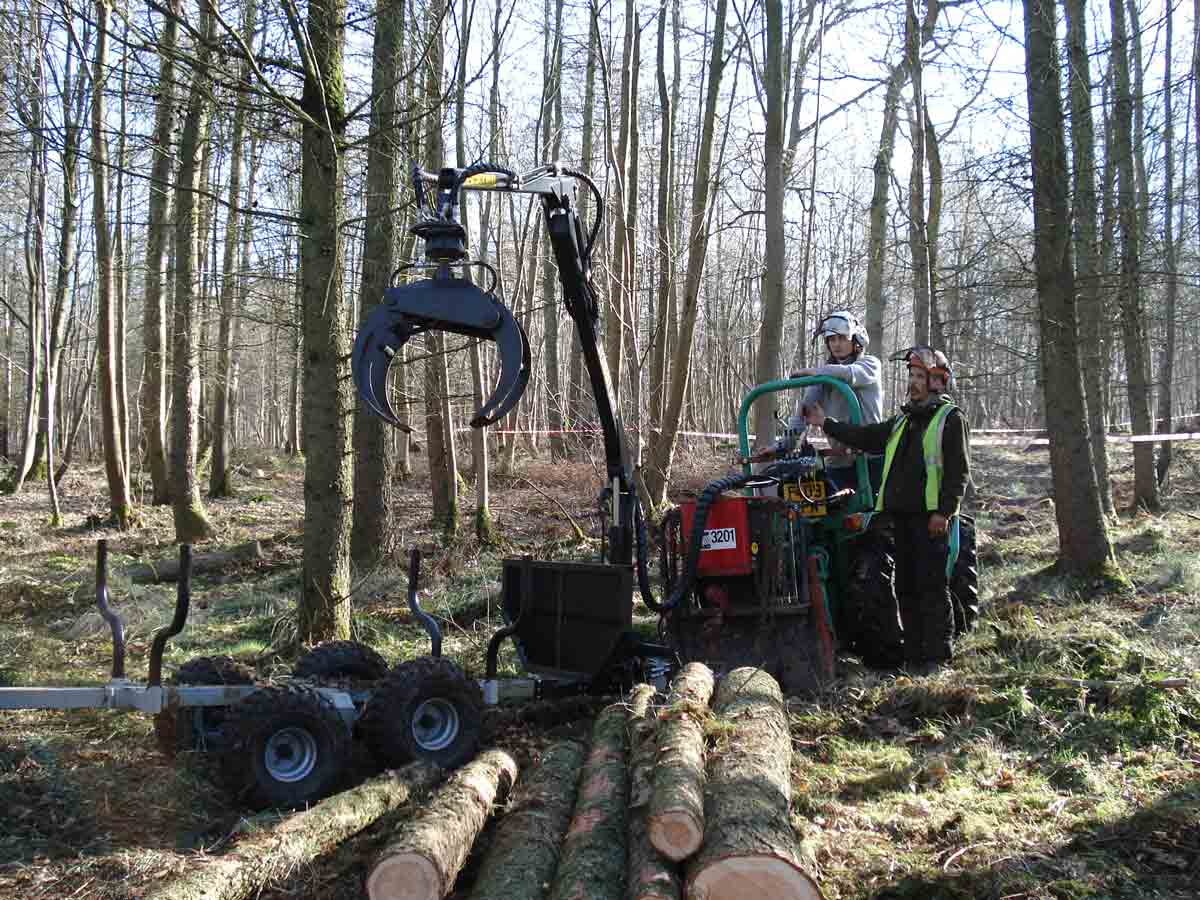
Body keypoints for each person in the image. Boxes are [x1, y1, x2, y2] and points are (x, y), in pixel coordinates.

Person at [804, 345, 970, 675]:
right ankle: (914, 657)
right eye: (911, 375)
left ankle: (937, 658)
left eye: (920, 376)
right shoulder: (901, 422)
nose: (913, 382)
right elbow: (865, 436)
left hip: (930, 518)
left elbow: (958, 471)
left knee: (931, 588)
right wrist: (827, 424)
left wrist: (945, 512)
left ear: (938, 381)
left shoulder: (950, 420)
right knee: (906, 588)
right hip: (900, 518)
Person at [789, 311, 884, 491]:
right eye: (832, 339)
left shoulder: (870, 365)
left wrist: (815, 372)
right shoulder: (822, 378)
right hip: (839, 461)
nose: (836, 344)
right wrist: (782, 446)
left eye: (842, 338)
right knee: (819, 507)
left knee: (869, 514)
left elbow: (848, 374)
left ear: (855, 340)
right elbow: (803, 412)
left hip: (870, 460)